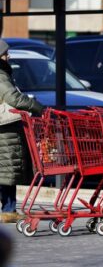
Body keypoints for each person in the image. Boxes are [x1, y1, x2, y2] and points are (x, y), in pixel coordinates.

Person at [0, 39, 44, 223]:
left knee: (6, 170)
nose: (8, 56)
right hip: (5, 129)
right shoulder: (0, 75)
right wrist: (38, 107)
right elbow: (14, 98)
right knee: (8, 170)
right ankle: (9, 209)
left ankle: (9, 209)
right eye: (5, 53)